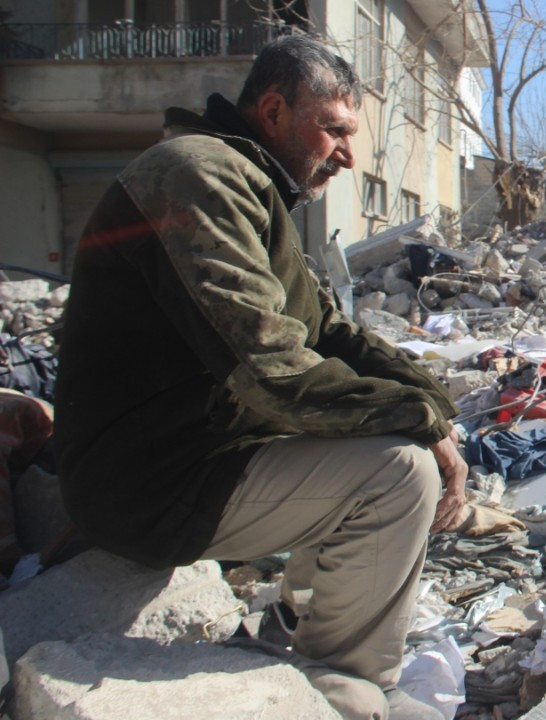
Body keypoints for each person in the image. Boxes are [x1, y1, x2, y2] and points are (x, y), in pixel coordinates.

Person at [53, 35, 464, 720]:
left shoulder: (252, 189)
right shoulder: (198, 177)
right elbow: (268, 372)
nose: (347, 155)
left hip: (204, 456)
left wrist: (432, 402)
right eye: (334, 130)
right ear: (273, 111)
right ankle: (342, 690)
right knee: (398, 472)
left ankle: (295, 625)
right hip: (149, 484)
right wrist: (420, 424)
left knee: (385, 438)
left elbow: (330, 331)